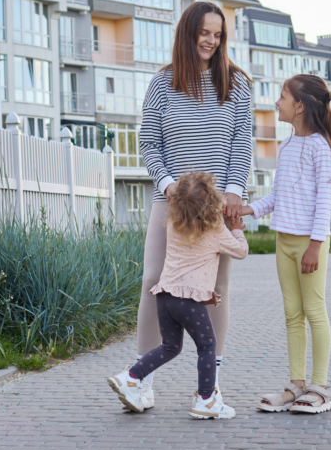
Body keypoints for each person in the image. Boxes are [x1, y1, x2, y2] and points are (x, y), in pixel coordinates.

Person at [134, 1, 252, 409]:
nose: (211, 40)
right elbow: (149, 141)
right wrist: (168, 186)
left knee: (215, 289)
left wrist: (235, 189)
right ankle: (140, 383)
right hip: (170, 203)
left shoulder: (236, 84)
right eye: (204, 32)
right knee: (154, 280)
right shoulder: (162, 82)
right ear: (188, 32)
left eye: (218, 34)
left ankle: (209, 386)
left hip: (217, 206)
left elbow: (242, 143)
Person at [242, 74, 331, 415]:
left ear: (299, 106)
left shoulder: (320, 147)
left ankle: (320, 388)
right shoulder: (286, 146)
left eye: (283, 97)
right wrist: (250, 209)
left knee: (314, 311)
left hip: (309, 243)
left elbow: (323, 203)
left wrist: (316, 246)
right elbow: (279, 195)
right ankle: (296, 384)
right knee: (292, 314)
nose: (277, 102)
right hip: (283, 241)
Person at [107, 172, 249, 419]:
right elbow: (241, 251)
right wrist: (236, 229)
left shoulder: (173, 224)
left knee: (170, 346)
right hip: (188, 301)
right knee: (207, 345)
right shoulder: (215, 229)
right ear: (212, 204)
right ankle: (206, 399)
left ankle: (130, 377)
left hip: (164, 296)